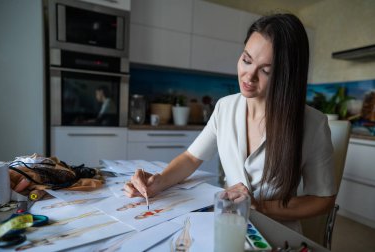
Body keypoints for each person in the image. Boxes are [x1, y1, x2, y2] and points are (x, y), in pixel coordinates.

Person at [124, 13, 336, 232]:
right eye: (246, 60)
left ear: (287, 76)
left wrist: (258, 206)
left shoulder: (313, 124)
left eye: (266, 71)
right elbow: (191, 158)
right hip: (227, 224)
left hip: (276, 233)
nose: (248, 76)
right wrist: (159, 182)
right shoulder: (225, 107)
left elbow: (323, 200)